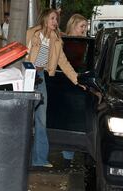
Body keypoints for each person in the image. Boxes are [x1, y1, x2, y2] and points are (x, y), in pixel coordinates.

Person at [26, 9, 84, 168]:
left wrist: (78, 81)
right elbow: (22, 54)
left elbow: (64, 64)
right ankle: (23, 157)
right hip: (26, 76)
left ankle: (39, 159)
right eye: (52, 18)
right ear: (44, 18)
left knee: (41, 120)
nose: (55, 22)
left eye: (56, 19)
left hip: (40, 78)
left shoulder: (56, 40)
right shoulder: (32, 33)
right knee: (24, 119)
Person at [61, 14, 88, 167]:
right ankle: (67, 156)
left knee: (76, 119)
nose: (84, 29)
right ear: (73, 25)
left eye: (85, 26)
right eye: (81, 26)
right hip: (66, 82)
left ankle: (73, 152)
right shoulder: (65, 42)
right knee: (68, 119)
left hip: (79, 82)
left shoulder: (83, 42)